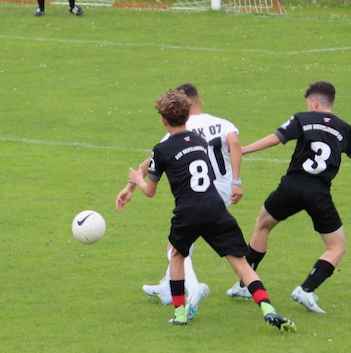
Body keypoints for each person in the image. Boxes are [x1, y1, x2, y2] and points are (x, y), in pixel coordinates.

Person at [117, 90, 295, 331]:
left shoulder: (162, 150)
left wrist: (137, 180)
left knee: (177, 255)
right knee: (241, 263)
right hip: (215, 207)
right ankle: (268, 310)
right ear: (187, 116)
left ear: (164, 121)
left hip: (187, 211)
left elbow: (150, 191)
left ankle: (180, 314)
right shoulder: (200, 142)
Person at [227, 80, 351, 314]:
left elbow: (275, 138)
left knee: (262, 226)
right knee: (336, 247)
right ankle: (306, 289)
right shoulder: (345, 129)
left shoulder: (302, 119)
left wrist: (242, 150)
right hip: (319, 193)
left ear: (314, 102)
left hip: (291, 187)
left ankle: (245, 284)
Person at [131, 84, 243, 315]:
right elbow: (234, 143)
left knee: (176, 247)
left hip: (199, 192)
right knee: (182, 244)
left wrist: (131, 185)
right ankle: (168, 286)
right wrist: (236, 180)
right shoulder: (221, 123)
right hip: (222, 189)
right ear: (199, 102)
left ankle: (192, 289)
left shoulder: (183, 129)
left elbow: (154, 158)